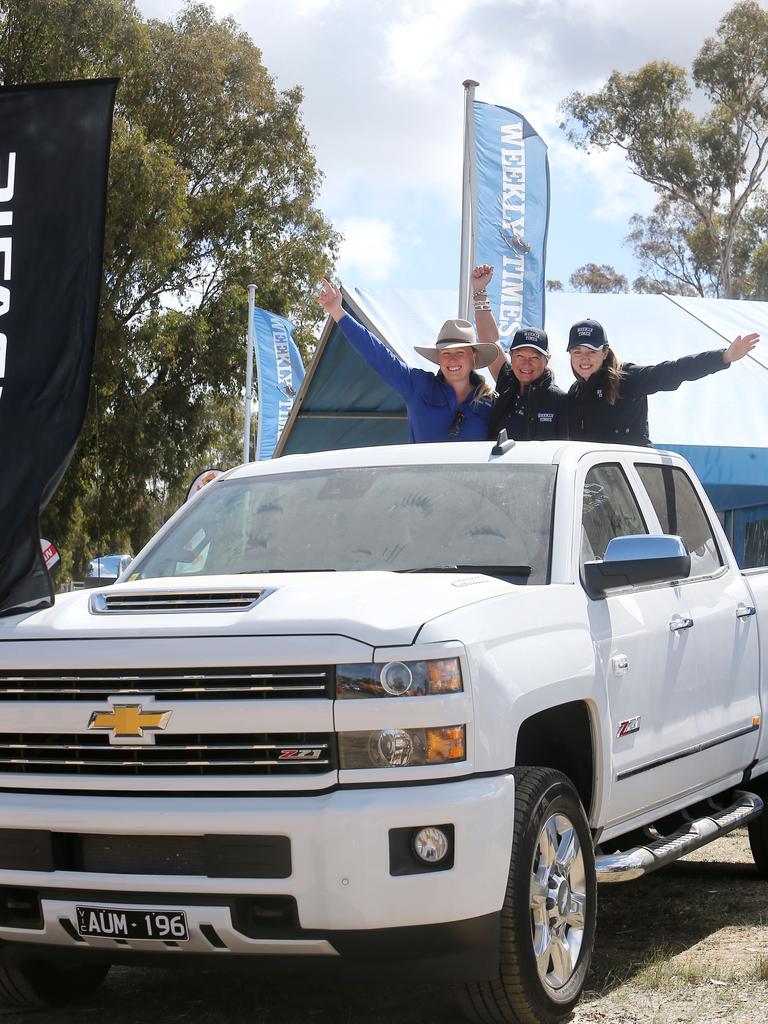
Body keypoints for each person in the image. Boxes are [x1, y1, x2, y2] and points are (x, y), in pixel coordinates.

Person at [316, 278, 497, 443]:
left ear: (473, 356)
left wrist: (480, 292)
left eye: (460, 352)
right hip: (418, 480)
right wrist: (338, 312)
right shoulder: (417, 385)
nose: (452, 360)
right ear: (438, 358)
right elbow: (377, 354)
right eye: (446, 353)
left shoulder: (492, 403)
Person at [566, 318, 760, 446]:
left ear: (605, 352)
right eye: (577, 352)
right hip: (593, 486)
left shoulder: (626, 378)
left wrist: (723, 357)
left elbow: (671, 371)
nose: (584, 359)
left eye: (591, 351)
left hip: (628, 483)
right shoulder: (574, 393)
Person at [471, 265, 567, 441]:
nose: (526, 364)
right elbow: (490, 341)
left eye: (534, 358)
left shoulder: (561, 401)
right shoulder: (507, 382)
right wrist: (480, 292)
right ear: (511, 356)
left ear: (547, 360)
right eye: (520, 356)